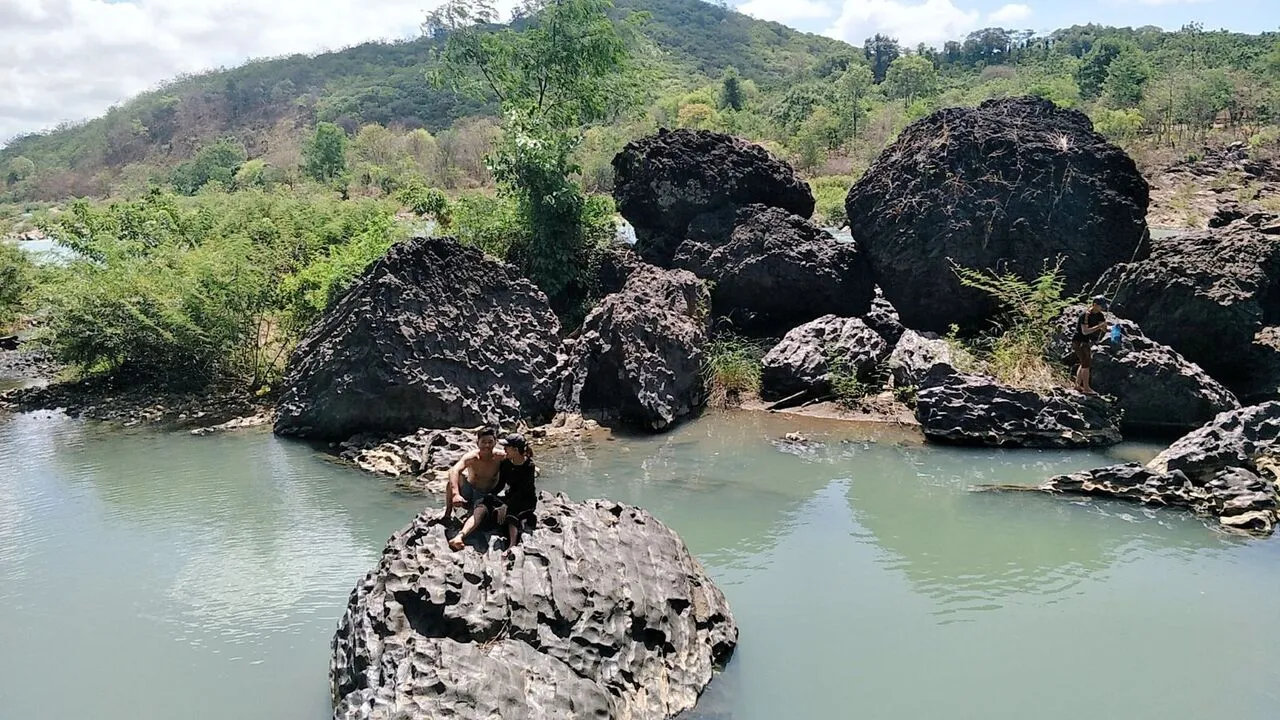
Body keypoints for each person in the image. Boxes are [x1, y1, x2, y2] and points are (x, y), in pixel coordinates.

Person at [443, 427, 504, 549]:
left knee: (480, 512)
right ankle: (447, 514)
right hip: (470, 491)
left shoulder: (500, 457)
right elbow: (454, 470)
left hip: (486, 495)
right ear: (478, 443)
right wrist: (456, 494)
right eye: (483, 442)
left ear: (495, 442)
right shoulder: (472, 457)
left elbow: (518, 461)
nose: (487, 445)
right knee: (453, 480)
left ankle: (461, 536)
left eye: (490, 442)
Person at [498, 434, 538, 550]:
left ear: (515, 450)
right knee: (489, 502)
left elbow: (523, 490)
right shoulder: (505, 463)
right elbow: (500, 484)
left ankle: (512, 545)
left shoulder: (529, 466)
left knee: (511, 514)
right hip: (510, 496)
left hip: (526, 500)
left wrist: (506, 505)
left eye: (506, 446)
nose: (504, 449)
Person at [1072, 295, 1110, 395]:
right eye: (1101, 306)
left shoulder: (1100, 315)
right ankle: (1086, 388)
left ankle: (1077, 385)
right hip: (1078, 341)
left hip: (1086, 342)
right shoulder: (1085, 315)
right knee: (1086, 364)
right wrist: (1098, 326)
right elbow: (1085, 331)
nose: (1103, 307)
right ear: (1094, 304)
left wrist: (1104, 326)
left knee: (1083, 363)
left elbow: (1104, 329)